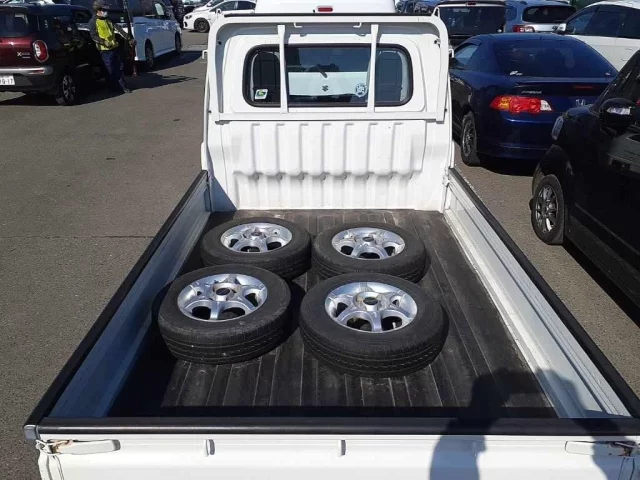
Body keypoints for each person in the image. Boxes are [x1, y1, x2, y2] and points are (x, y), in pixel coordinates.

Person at [89, 0, 135, 93]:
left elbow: (119, 29)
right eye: (103, 10)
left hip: (114, 47)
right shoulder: (93, 22)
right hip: (105, 50)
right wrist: (103, 42)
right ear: (98, 10)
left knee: (119, 67)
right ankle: (113, 87)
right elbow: (93, 36)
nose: (105, 12)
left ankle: (123, 87)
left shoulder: (109, 19)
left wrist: (129, 38)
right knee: (110, 70)